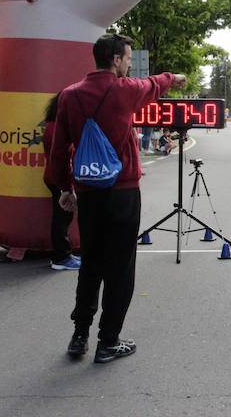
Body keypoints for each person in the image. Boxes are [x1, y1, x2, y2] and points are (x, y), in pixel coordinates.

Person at [49, 33, 186, 363]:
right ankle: (108, 341)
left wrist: (65, 189)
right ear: (115, 60)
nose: (128, 63)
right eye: (126, 58)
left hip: (87, 192)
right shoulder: (124, 90)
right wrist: (174, 78)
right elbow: (154, 85)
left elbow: (57, 150)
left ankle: (79, 335)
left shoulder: (69, 96)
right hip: (122, 191)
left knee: (91, 263)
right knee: (121, 267)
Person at [42, 92, 81, 271]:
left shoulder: (52, 124)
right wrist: (68, 186)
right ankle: (61, 257)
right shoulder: (57, 127)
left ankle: (63, 255)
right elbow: (63, 158)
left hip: (53, 176)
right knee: (62, 217)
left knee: (62, 216)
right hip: (58, 178)